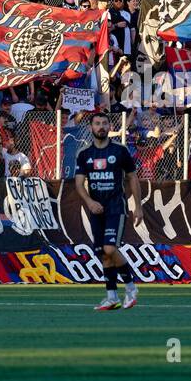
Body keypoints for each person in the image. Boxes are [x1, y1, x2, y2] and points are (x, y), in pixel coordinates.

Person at [74, 112, 140, 311]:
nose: (101, 126)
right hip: (96, 209)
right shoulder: (84, 154)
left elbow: (133, 178)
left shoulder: (120, 151)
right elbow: (78, 184)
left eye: (104, 123)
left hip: (116, 207)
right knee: (103, 254)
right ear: (91, 127)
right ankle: (111, 296)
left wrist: (138, 206)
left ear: (110, 127)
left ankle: (131, 288)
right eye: (97, 123)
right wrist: (89, 201)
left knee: (110, 249)